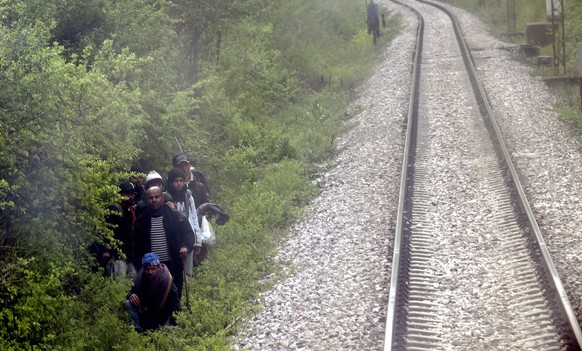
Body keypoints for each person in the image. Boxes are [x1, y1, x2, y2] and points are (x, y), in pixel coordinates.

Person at [133, 186, 194, 299]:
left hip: (173, 264)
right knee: (154, 298)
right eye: (151, 198)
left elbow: (188, 234)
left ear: (163, 198)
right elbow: (137, 246)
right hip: (151, 268)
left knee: (174, 296)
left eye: (157, 197)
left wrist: (185, 247)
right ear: (147, 200)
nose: (154, 200)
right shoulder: (142, 220)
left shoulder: (176, 216)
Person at [125, 252, 181, 332]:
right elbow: (130, 291)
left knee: (168, 331)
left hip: (162, 314)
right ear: (144, 268)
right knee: (128, 304)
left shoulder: (167, 282)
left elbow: (175, 305)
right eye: (147, 269)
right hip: (144, 311)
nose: (150, 272)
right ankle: (137, 331)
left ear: (158, 267)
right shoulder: (140, 277)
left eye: (153, 269)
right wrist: (131, 295)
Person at [91, 181, 137, 278]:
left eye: (132, 193)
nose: (130, 196)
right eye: (127, 193)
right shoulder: (114, 209)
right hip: (116, 256)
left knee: (133, 284)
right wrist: (105, 250)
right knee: (119, 285)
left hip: (128, 256)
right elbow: (103, 231)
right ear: (120, 194)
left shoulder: (130, 210)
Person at [166, 168, 202, 275]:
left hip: (187, 234)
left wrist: (198, 241)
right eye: (176, 181)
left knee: (188, 271)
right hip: (173, 236)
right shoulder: (167, 196)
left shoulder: (188, 196)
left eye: (181, 181)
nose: (179, 184)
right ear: (171, 182)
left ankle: (188, 290)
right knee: (174, 270)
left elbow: (194, 218)